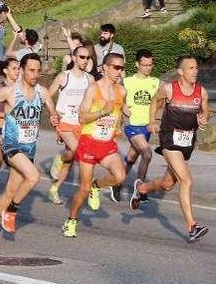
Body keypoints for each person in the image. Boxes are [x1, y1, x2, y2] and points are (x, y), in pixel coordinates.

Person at [0, 54, 58, 243]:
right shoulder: (10, 91)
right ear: (22, 71)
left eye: (38, 71)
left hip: (29, 147)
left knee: (10, 191)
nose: (35, 74)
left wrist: (55, 119)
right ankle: (12, 211)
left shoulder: (42, 92)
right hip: (11, 145)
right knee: (33, 176)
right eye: (31, 70)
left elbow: (52, 112)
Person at [130, 55, 210, 242]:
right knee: (186, 180)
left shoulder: (201, 92)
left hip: (187, 141)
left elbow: (204, 110)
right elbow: (155, 101)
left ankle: (141, 189)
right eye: (191, 68)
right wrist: (152, 121)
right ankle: (192, 226)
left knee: (167, 184)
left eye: (196, 68)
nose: (195, 71)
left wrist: (204, 118)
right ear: (180, 71)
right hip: (169, 140)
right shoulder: (169, 89)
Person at [62, 53, 127, 238]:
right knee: (83, 188)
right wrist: (100, 113)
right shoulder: (92, 89)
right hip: (89, 142)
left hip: (107, 143)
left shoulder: (121, 91)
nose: (119, 71)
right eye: (116, 67)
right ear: (105, 68)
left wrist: (119, 124)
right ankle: (71, 220)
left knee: (120, 176)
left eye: (121, 68)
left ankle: (97, 186)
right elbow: (81, 117)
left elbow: (120, 111)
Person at [47, 45, 94, 205]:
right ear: (74, 58)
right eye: (82, 57)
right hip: (64, 121)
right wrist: (52, 113)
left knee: (71, 159)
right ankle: (59, 158)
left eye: (87, 58)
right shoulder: (64, 77)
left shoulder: (90, 79)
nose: (85, 60)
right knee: (74, 149)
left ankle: (54, 188)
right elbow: (47, 95)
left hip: (81, 123)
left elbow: (95, 101)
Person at [115, 50, 158, 204]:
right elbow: (115, 97)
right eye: (144, 65)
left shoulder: (156, 82)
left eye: (150, 64)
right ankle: (140, 189)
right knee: (147, 153)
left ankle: (117, 183)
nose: (148, 68)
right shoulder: (127, 82)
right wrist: (123, 105)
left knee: (132, 158)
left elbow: (165, 98)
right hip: (131, 125)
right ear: (137, 65)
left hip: (146, 128)